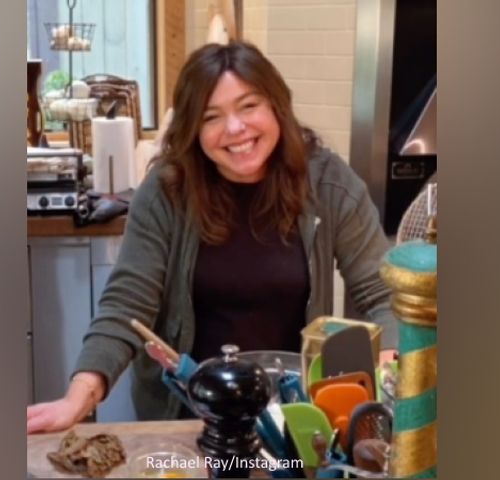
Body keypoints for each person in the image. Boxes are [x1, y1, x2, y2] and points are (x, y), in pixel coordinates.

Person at [26, 41, 395, 434]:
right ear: (193, 130)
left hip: (294, 418)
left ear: (277, 106)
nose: (235, 128)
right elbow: (127, 305)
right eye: (211, 117)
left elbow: (383, 292)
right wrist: (78, 397)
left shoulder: (327, 183)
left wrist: (392, 370)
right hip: (187, 416)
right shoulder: (166, 192)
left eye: (249, 106)